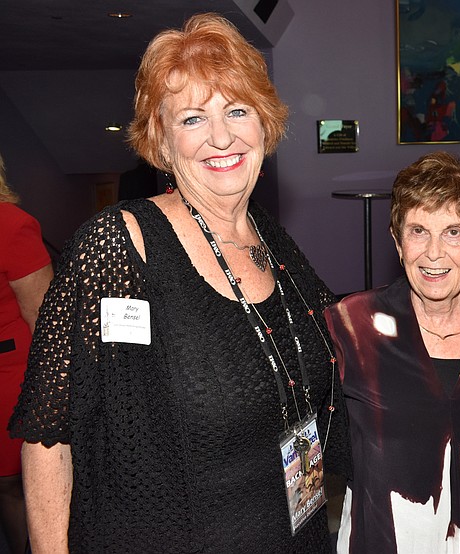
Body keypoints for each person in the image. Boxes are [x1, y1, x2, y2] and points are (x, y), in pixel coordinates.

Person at [10, 13, 347, 553]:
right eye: (193, 118)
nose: (222, 137)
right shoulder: (117, 246)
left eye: (237, 110)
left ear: (264, 125)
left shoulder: (270, 239)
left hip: (292, 531)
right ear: (162, 143)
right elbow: (49, 435)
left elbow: (342, 345)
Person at [324, 151, 460, 554]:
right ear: (397, 241)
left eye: (454, 232)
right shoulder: (351, 328)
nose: (434, 253)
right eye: (418, 231)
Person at [0, 154, 53, 554]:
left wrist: (52, 395)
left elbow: (44, 320)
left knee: (14, 483)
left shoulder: (10, 225)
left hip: (11, 376)